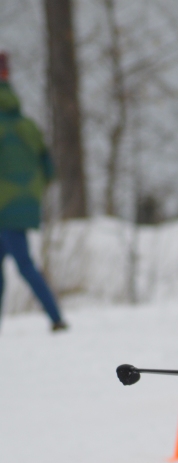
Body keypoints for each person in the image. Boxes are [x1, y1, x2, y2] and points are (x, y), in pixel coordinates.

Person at [0, 52, 67, 331]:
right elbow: (49, 169)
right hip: (23, 206)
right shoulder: (28, 126)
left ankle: (56, 318)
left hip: (4, 206)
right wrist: (30, 193)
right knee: (22, 263)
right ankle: (55, 317)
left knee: (23, 264)